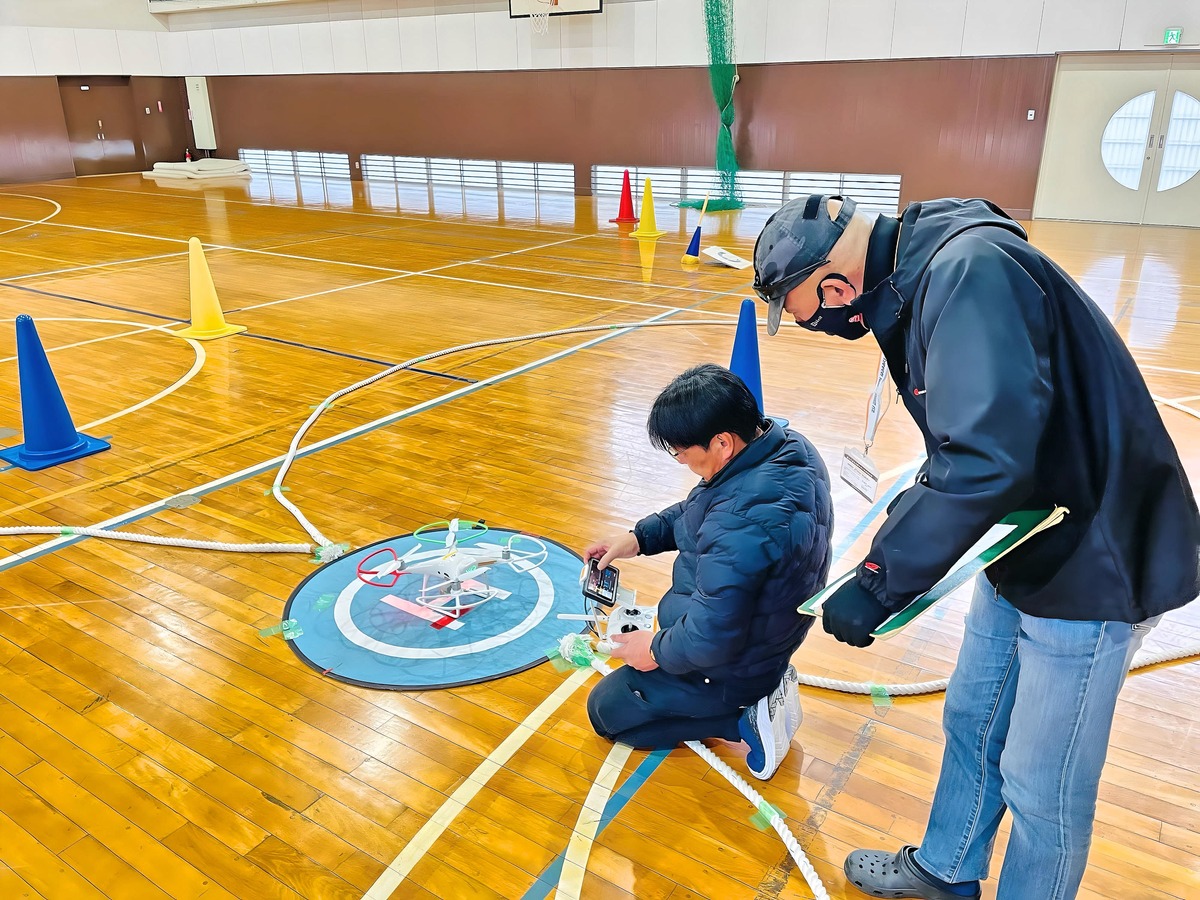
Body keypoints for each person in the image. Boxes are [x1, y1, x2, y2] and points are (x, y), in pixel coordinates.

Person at [752, 193, 1200, 899]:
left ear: (838, 287)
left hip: (1094, 557)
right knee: (974, 715)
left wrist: (878, 581)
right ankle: (946, 869)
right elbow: (965, 442)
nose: (830, 324)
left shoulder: (968, 272)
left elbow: (986, 459)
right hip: (1023, 532)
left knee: (1040, 781)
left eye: (814, 312)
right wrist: (894, 544)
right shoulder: (922, 271)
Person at [584, 363, 833, 780]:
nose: (680, 459)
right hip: (766, 637)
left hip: (729, 663)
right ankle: (758, 689)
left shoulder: (742, 516)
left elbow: (710, 636)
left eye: (682, 450)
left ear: (721, 442)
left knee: (607, 711)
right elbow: (703, 512)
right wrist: (639, 537)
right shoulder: (785, 448)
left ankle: (743, 720)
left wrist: (655, 650)